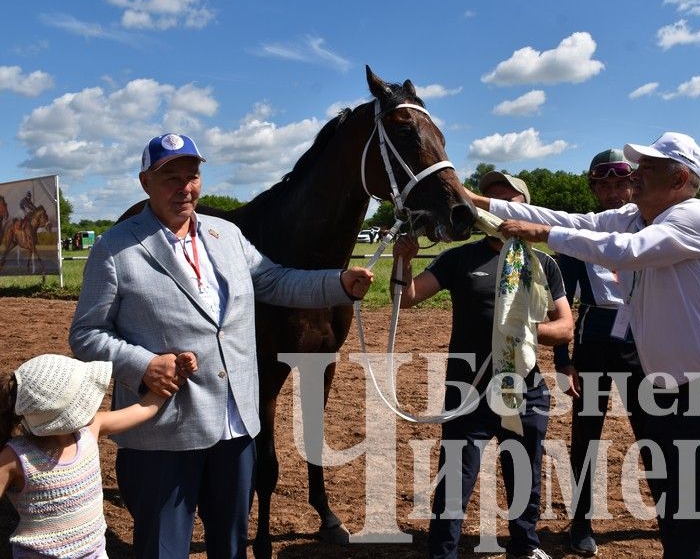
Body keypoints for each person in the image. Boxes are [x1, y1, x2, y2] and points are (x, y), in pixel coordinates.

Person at [68, 133, 374, 558]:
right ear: (145, 183)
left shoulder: (226, 234)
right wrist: (142, 364)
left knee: (230, 549)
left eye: (191, 175)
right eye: (170, 176)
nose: (184, 186)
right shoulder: (115, 247)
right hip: (164, 433)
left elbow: (274, 280)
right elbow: (85, 335)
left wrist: (336, 284)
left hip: (236, 431)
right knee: (163, 550)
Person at [469, 131, 700, 559]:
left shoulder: (699, 215)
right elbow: (571, 220)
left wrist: (541, 233)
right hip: (664, 385)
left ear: (679, 179)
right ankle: (587, 522)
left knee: (686, 518)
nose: (635, 176)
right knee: (671, 504)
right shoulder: (638, 216)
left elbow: (625, 251)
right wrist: (479, 201)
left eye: (648, 168)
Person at [392, 171, 573, 559]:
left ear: (526, 208)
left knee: (524, 472)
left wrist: (522, 329)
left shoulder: (544, 265)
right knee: (456, 477)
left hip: (525, 388)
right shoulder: (458, 259)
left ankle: (525, 546)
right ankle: (443, 552)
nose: (500, 211)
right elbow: (407, 298)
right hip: (468, 389)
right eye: (490, 202)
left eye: (510, 201)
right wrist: (403, 261)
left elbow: (564, 328)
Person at [0, 353, 196, 558]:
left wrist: (175, 376)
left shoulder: (89, 430)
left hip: (95, 553)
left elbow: (143, 409)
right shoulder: (16, 457)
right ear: (61, 412)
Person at [552, 149, 647, 555]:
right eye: (603, 185)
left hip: (643, 340)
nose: (612, 192)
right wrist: (562, 361)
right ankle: (581, 520)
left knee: (654, 433)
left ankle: (670, 514)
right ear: (594, 189)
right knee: (587, 433)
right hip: (594, 339)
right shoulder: (579, 239)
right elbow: (558, 302)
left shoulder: (653, 228)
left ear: (633, 184)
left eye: (619, 183)